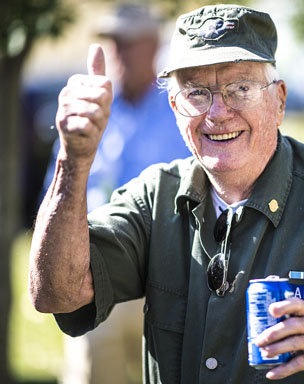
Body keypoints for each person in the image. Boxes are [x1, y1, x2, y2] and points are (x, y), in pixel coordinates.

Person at [29, 4, 304, 383]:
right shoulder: (154, 198)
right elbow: (57, 294)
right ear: (175, 107)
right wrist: (75, 161)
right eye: (196, 93)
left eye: (240, 88)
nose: (217, 113)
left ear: (279, 100)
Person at [41, 4, 190, 384]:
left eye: (127, 43)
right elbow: (56, 191)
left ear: (154, 44)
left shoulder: (182, 108)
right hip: (94, 276)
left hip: (166, 277)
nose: (118, 52)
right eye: (112, 42)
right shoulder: (91, 110)